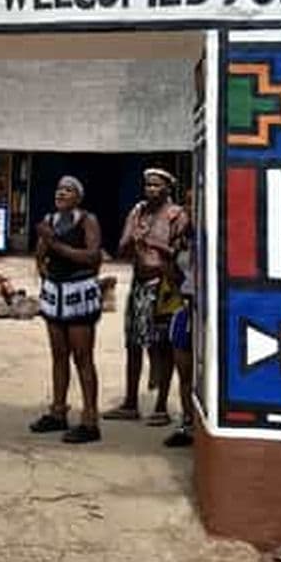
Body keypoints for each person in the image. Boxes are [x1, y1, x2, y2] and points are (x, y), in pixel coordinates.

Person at [103, 168, 189, 427]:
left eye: (156, 185)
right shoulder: (138, 211)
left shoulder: (177, 215)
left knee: (162, 347)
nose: (150, 189)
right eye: (148, 185)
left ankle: (161, 406)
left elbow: (181, 255)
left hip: (164, 286)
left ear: (167, 188)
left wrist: (155, 245)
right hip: (139, 285)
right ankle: (130, 403)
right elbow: (121, 247)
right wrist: (133, 241)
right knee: (133, 343)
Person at [29, 176, 103, 444]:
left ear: (78, 197)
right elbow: (40, 255)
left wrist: (55, 244)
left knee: (82, 356)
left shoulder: (87, 220)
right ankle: (58, 412)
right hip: (55, 293)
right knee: (58, 354)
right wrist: (44, 269)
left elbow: (92, 256)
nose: (61, 193)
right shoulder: (49, 220)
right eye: (59, 189)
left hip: (79, 292)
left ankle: (90, 420)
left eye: (68, 190)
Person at [164, 188, 196, 448]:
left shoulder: (218, 235)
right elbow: (176, 276)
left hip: (207, 310)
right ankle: (187, 422)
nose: (192, 210)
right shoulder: (183, 240)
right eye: (188, 204)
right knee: (184, 371)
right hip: (185, 306)